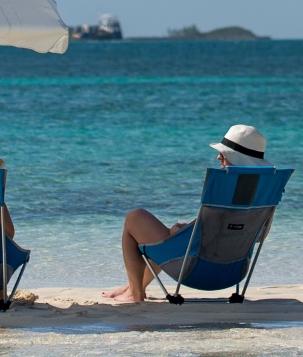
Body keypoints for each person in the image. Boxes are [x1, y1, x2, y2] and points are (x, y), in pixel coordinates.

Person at [102, 124, 268, 303]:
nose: (218, 156)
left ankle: (135, 293)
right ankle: (134, 286)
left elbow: (207, 235)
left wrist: (178, 232)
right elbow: (258, 236)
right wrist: (188, 229)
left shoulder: (225, 185)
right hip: (234, 272)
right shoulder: (264, 191)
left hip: (196, 270)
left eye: (225, 154)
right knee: (167, 238)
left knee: (135, 217)